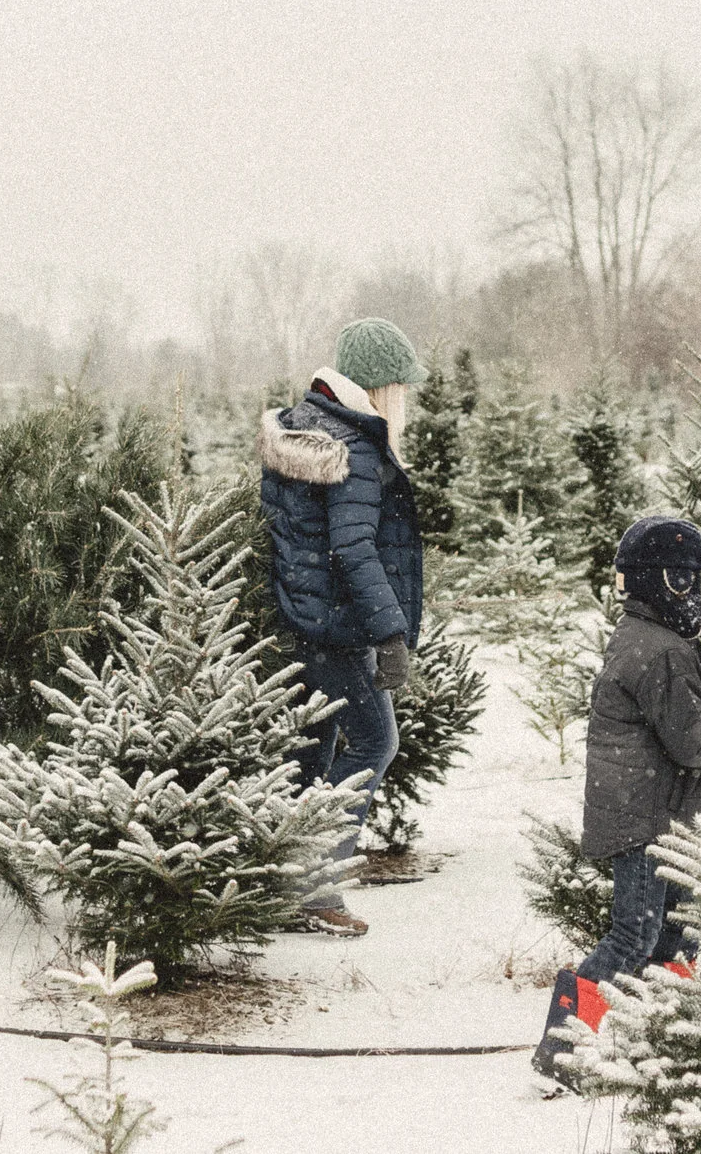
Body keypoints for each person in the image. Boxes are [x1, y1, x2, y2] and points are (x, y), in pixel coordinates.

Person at [532, 516, 701, 1080]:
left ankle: (673, 1041)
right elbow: (693, 742)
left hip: (656, 811)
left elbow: (682, 735)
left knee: (677, 934)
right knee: (635, 935)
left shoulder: (645, 637)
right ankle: (563, 1052)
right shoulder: (661, 650)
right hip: (646, 820)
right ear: (670, 582)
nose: (698, 596)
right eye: (692, 582)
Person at [257, 317, 427, 939]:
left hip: (303, 617)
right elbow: (354, 548)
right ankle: (313, 888)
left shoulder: (310, 427)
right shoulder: (352, 447)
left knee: (313, 751)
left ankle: (282, 881)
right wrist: (389, 633)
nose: (404, 399)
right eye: (400, 387)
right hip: (337, 625)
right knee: (373, 743)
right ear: (379, 386)